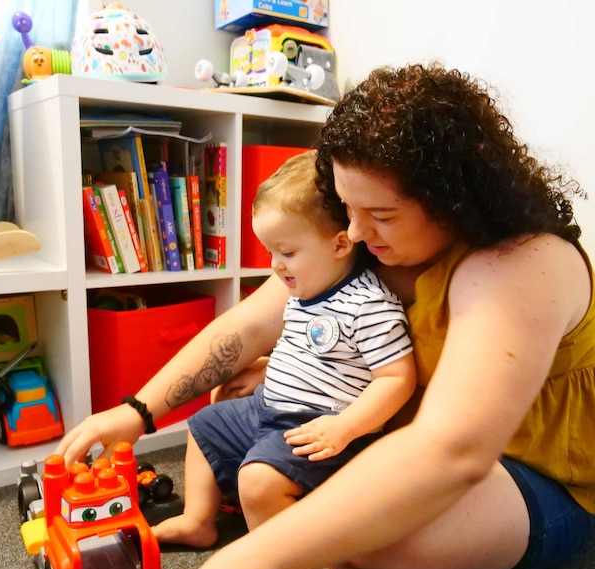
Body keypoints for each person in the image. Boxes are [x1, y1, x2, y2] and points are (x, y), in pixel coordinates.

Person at [58, 62, 595, 569]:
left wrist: (244, 563)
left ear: (455, 197)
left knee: (383, 538)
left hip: (531, 475)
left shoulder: (522, 262)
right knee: (249, 414)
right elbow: (249, 324)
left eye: (379, 213)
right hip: (395, 429)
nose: (353, 232)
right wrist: (137, 412)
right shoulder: (376, 243)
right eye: (346, 208)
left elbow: (451, 450)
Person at [157, 150, 416, 547]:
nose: (276, 266)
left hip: (319, 424)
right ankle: (197, 520)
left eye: (288, 252)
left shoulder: (368, 304)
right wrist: (265, 367)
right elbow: (305, 350)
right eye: (271, 253)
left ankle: (283, 557)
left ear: (340, 244)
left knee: (257, 482)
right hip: (269, 407)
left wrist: (346, 428)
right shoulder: (303, 290)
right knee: (204, 424)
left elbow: (397, 378)